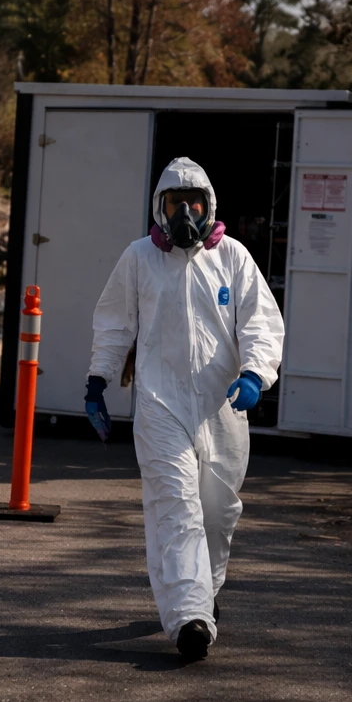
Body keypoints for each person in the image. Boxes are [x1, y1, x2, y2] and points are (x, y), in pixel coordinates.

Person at [86, 157, 285, 662]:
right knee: (177, 509)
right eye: (177, 203)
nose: (187, 213)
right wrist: (97, 380)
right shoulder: (139, 259)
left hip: (222, 406)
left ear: (209, 205)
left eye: (195, 202)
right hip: (160, 403)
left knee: (217, 514)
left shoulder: (233, 258)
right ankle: (189, 619)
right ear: (161, 208)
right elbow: (114, 325)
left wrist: (255, 374)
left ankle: (204, 591)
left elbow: (261, 323)